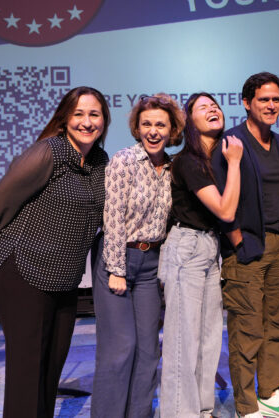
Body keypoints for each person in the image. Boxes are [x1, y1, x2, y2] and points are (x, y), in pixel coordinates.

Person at [0, 86, 110, 418]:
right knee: (28, 365)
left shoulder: (100, 161)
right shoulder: (49, 152)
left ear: (105, 119)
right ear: (64, 119)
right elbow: (1, 200)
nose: (87, 122)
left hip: (64, 274)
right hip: (22, 266)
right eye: (78, 114)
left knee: (52, 363)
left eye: (94, 114)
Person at [210, 73, 279, 418]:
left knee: (278, 324)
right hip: (246, 246)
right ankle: (246, 406)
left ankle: (269, 392)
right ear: (247, 102)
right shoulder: (230, 141)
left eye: (276, 99)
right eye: (264, 99)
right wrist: (236, 240)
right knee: (247, 329)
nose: (271, 105)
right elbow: (220, 197)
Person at [90, 94, 184, 418]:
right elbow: (112, 217)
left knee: (148, 350)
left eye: (160, 124)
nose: (153, 131)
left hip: (150, 266)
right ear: (137, 127)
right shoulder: (124, 160)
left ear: (172, 129)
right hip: (117, 260)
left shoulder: (172, 168)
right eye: (147, 124)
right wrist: (116, 268)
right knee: (120, 349)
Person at [158, 92, 243, 417]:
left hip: (209, 247)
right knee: (183, 340)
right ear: (190, 122)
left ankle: (203, 410)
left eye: (216, 105)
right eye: (203, 108)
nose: (213, 110)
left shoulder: (217, 158)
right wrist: (234, 162)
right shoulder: (188, 161)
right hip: (186, 248)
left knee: (209, 339)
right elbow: (224, 208)